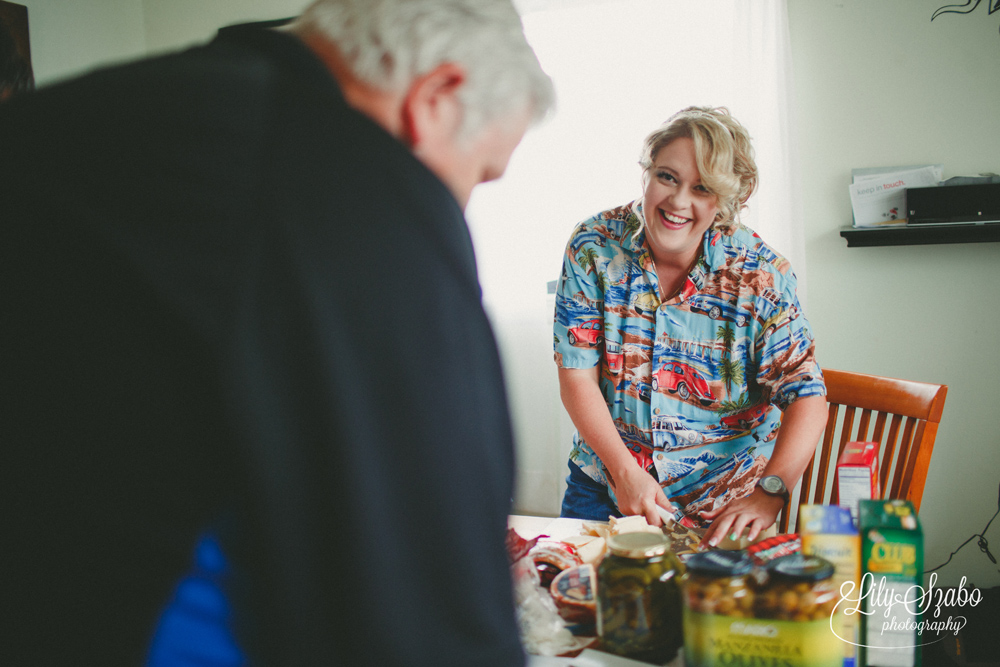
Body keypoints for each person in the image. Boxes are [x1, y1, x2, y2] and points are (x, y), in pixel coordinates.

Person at [0, 1, 553, 666]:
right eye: (478, 173)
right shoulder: (362, 202)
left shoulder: (73, 122)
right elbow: (437, 609)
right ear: (436, 98)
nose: (459, 206)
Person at [553, 106, 827, 549]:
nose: (679, 202)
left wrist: (769, 495)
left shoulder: (761, 276)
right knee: (577, 612)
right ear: (645, 174)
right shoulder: (593, 247)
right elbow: (577, 375)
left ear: (725, 201)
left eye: (702, 188)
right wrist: (625, 473)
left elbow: (808, 399)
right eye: (667, 177)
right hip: (605, 486)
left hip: (722, 509)